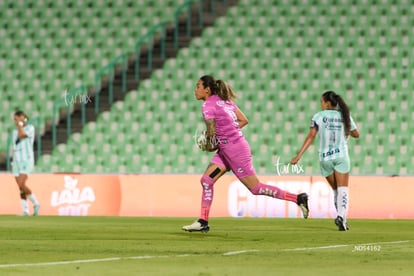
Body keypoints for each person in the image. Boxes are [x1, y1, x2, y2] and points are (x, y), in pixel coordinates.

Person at [182, 75, 309, 232]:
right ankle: (203, 222)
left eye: (198, 86)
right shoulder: (226, 101)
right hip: (228, 149)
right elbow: (243, 120)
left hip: (235, 151)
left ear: (207, 90)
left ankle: (298, 198)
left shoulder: (208, 105)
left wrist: (209, 145)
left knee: (255, 188)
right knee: (207, 180)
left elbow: (212, 131)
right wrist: (226, 136)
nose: (195, 90)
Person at [290, 91, 359, 231]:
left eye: (322, 102)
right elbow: (356, 134)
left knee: (335, 191)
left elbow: (311, 136)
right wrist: (345, 130)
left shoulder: (318, 117)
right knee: (343, 189)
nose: (321, 104)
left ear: (327, 103)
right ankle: (341, 217)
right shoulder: (344, 116)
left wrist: (299, 155)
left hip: (325, 158)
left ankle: (342, 220)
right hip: (341, 156)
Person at [11, 110, 40, 216]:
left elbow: (22, 135)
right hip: (16, 161)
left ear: (23, 117)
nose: (15, 121)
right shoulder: (14, 132)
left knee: (22, 184)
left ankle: (36, 203)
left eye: (16, 119)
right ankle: (25, 210)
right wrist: (13, 162)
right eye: (14, 119)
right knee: (20, 187)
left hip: (26, 159)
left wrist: (20, 124)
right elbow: (15, 147)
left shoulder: (30, 128)